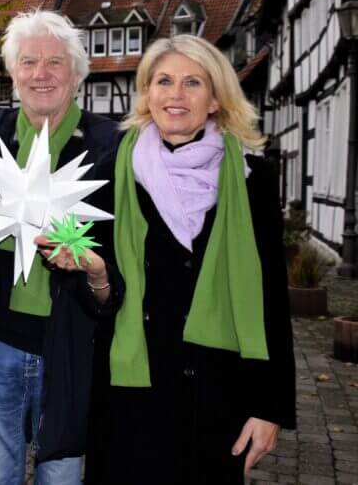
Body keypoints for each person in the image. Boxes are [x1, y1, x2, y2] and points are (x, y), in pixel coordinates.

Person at [85, 35, 295, 483]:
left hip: (218, 395)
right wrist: (97, 277)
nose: (175, 95)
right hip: (133, 393)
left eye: (192, 82)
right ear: (147, 94)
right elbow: (97, 300)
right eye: (163, 81)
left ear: (216, 99)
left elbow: (270, 295)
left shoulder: (252, 177)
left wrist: (268, 407)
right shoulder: (111, 170)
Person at [0, 10, 124, 485]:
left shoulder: (113, 148)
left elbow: (126, 260)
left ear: (78, 73)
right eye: (28, 62)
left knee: (61, 478)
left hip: (71, 350)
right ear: (12, 74)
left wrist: (97, 275)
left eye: (55, 62)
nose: (41, 74)